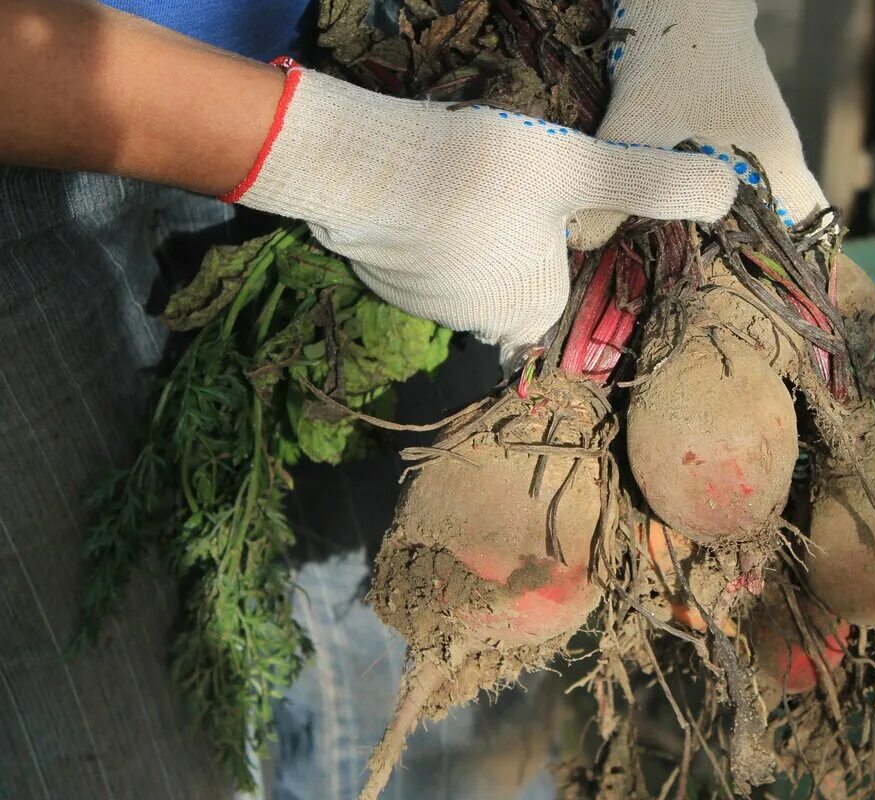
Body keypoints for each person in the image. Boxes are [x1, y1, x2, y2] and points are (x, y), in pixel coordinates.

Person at [0, 1, 829, 797]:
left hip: (395, 87)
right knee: (111, 715)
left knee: (423, 672)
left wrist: (689, 14)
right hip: (40, 163)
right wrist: (342, 158)